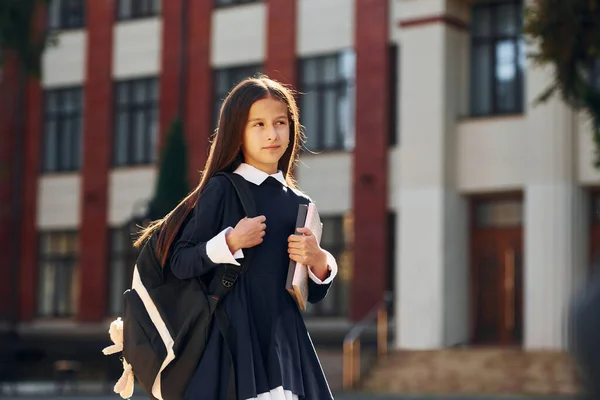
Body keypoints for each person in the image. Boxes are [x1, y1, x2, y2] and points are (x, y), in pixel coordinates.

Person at [134, 76, 337, 400]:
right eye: (258, 124)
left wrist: (319, 261)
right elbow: (180, 262)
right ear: (237, 132)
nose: (272, 133)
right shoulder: (222, 188)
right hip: (233, 340)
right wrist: (230, 242)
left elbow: (311, 295)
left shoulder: (300, 203)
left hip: (286, 341)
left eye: (280, 122)